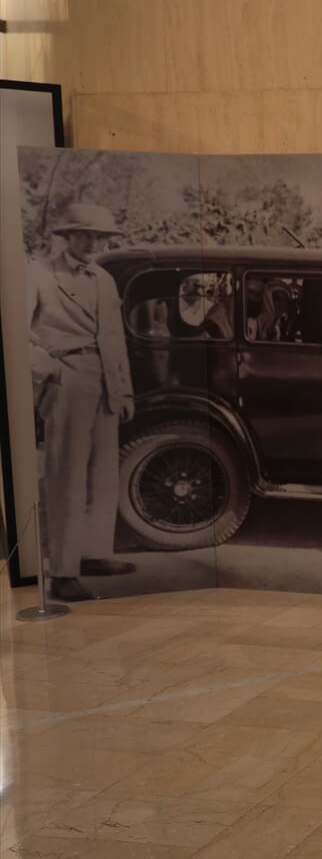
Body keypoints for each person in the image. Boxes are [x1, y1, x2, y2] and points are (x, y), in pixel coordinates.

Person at [25, 202, 138, 601]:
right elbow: (15, 333)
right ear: (67, 235)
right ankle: (62, 571)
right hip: (66, 378)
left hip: (104, 381)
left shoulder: (104, 279)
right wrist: (49, 371)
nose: (93, 242)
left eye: (100, 236)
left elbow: (114, 339)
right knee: (67, 475)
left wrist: (122, 390)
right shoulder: (39, 274)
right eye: (85, 234)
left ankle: (93, 554)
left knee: (103, 473)